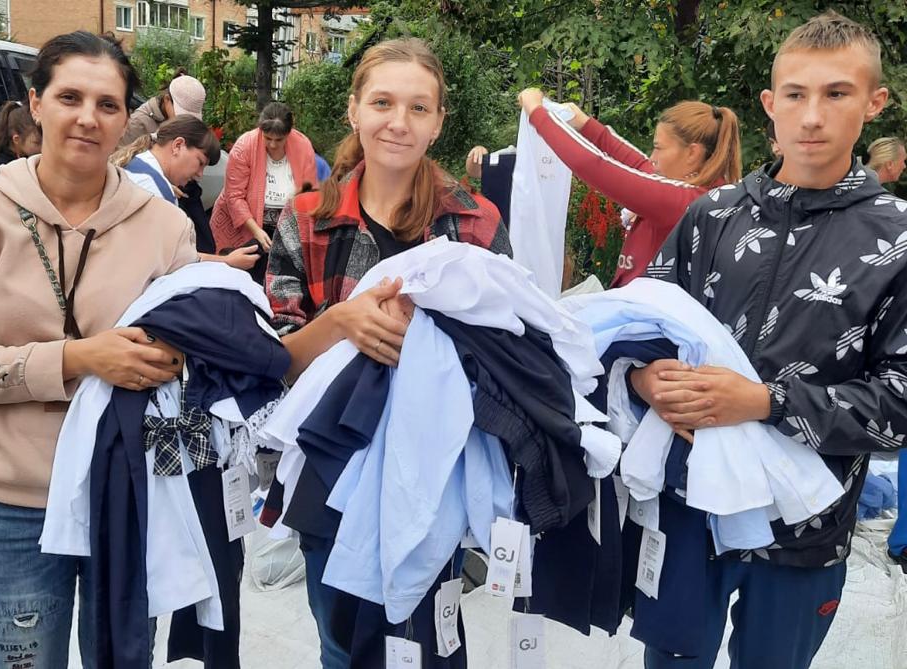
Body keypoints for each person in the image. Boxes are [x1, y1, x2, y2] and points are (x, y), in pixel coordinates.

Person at [629, 11, 905, 668]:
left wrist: (765, 402)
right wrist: (644, 379)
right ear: (768, 103)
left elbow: (899, 402)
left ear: (874, 103)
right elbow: (639, 330)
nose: (812, 116)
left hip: (806, 534)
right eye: (795, 94)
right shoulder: (712, 215)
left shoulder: (896, 240)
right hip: (688, 510)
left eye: (836, 93)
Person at [0, 31, 196, 668]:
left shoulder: (166, 226)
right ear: (36, 103)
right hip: (16, 502)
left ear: (127, 119)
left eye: (108, 104)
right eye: (70, 97)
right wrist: (80, 358)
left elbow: (189, 352)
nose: (87, 118)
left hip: (125, 496)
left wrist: (180, 356)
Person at [266, 37, 509, 667]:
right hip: (331, 468)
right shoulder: (306, 219)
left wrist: (436, 345)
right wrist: (340, 323)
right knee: (341, 644)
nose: (399, 122)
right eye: (382, 102)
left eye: (418, 107)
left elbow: (512, 354)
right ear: (353, 110)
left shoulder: (475, 223)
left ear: (438, 122)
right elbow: (276, 364)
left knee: (428, 642)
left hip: (434, 474)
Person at [517, 89, 741, 286]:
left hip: (648, 319)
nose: (652, 157)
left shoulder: (687, 202)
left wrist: (538, 115)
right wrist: (584, 124)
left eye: (659, 148)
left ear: (692, 153)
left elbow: (594, 166)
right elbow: (638, 163)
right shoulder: (704, 192)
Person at [111, 115, 259, 269]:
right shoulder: (153, 191)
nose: (200, 174)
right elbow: (171, 260)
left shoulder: (139, 169)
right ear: (178, 145)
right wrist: (227, 261)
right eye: (200, 162)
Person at [209, 101, 318, 284]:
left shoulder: (303, 146)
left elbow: (309, 193)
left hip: (286, 227)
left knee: (283, 282)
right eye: (267, 138)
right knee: (245, 280)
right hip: (247, 225)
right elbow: (234, 196)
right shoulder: (245, 145)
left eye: (279, 140)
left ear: (289, 133)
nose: (273, 144)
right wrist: (256, 231)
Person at [120, 69, 206, 146]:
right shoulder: (136, 125)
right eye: (181, 114)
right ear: (167, 99)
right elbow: (120, 157)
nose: (184, 121)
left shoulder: (175, 123)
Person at [0, 100, 42, 180]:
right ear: (17, 139)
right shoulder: (2, 165)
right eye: (37, 143)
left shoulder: (25, 157)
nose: (42, 148)